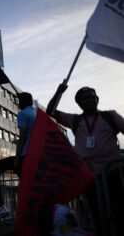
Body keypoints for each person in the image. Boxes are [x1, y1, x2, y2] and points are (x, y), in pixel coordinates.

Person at [47, 82, 124, 235]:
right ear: (80, 104)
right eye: (86, 98)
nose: (90, 100)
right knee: (96, 212)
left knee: (120, 210)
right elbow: (51, 111)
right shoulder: (74, 120)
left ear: (98, 99)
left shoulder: (110, 116)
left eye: (93, 97)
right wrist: (59, 92)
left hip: (113, 171)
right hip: (88, 176)